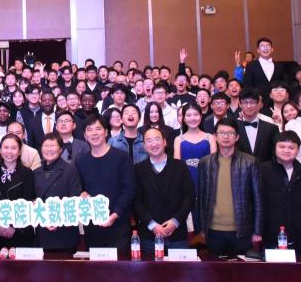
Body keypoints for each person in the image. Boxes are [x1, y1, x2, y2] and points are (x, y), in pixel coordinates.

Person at [195, 119, 263, 257]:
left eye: (230, 133)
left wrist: (257, 231)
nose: (226, 136)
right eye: (221, 133)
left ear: (237, 137)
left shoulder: (250, 162)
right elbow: (201, 198)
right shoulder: (205, 162)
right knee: (214, 269)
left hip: (241, 230)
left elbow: (258, 199)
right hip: (213, 230)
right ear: (215, 136)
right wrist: (201, 228)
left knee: (241, 269)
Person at [75, 115, 135, 254]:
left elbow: (129, 190)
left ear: (106, 132)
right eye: (90, 130)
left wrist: (115, 215)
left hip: (118, 224)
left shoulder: (122, 157)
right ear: (85, 135)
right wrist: (81, 194)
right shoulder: (80, 160)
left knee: (120, 265)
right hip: (92, 226)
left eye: (98, 129)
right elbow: (78, 188)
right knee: (95, 266)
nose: (94, 133)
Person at [133, 126, 194, 257]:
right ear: (144, 146)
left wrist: (175, 222)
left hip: (177, 236)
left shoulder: (180, 166)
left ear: (165, 142)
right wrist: (153, 225)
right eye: (149, 141)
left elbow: (189, 197)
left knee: (180, 270)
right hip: (149, 236)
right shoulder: (138, 169)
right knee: (150, 270)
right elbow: (136, 202)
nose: (154, 144)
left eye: (157, 139)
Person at [259, 131, 301, 259]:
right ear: (275, 148)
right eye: (282, 147)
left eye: (291, 147)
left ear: (298, 150)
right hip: (269, 232)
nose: (286, 151)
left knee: (297, 269)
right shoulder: (262, 170)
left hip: (296, 234)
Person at [0, 134, 36, 255]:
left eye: (13, 148)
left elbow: (28, 203)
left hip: (21, 232)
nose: (9, 151)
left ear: (19, 151)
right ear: (0, 150)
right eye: (6, 147)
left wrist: (14, 228)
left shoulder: (27, 173)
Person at [33, 133, 83, 253]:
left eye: (53, 145)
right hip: (43, 230)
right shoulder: (36, 172)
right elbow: (32, 199)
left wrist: (58, 220)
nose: (49, 149)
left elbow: (75, 198)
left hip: (64, 232)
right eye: (46, 146)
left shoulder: (70, 169)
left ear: (61, 149)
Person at [173, 104, 215, 189]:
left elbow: (214, 164)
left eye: (196, 114)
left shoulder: (210, 137)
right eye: (188, 115)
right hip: (185, 181)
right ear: (184, 118)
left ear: (201, 116)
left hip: (206, 180)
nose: (192, 118)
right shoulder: (178, 139)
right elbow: (177, 166)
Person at [235, 89, 277, 163]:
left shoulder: (271, 128)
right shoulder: (233, 127)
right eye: (245, 102)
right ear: (240, 104)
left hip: (264, 169)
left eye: (252, 102)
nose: (249, 106)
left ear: (258, 104)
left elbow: (275, 153)